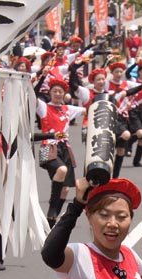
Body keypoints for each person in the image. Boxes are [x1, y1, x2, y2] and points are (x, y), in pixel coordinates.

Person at [36, 78, 87, 226]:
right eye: (54, 91)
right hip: (48, 147)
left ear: (64, 94)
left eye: (60, 91)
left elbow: (87, 110)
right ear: (50, 92)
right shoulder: (44, 107)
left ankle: (51, 220)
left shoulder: (68, 109)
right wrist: (41, 77)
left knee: (65, 190)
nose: (57, 94)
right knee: (62, 169)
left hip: (65, 148)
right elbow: (33, 97)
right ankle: (52, 209)